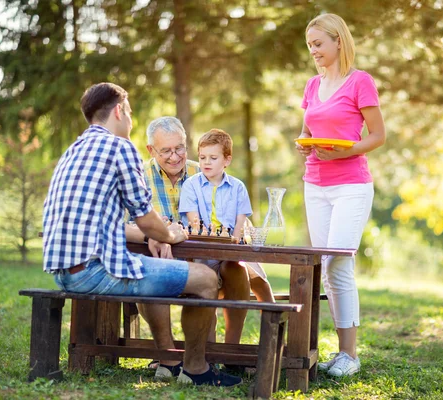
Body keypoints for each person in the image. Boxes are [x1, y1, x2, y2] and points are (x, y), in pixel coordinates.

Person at [42, 82, 241, 387]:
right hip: (96, 270)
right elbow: (146, 219)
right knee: (204, 278)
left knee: (158, 268)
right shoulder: (119, 147)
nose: (131, 120)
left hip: (62, 270)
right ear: (119, 110)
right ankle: (196, 369)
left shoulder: (74, 149)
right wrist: (170, 234)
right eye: (130, 111)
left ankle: (174, 362)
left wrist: (154, 233)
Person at [140, 117, 274, 378]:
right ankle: (168, 357)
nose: (174, 156)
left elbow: (237, 221)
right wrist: (155, 236)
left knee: (235, 269)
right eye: (165, 151)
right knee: (149, 276)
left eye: (179, 148)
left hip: (210, 255)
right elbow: (130, 222)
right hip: (165, 258)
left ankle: (228, 352)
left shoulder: (205, 169)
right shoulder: (139, 178)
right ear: (151, 150)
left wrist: (237, 236)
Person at [295, 14, 386, 377]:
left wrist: (344, 151)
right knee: (325, 270)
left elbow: (378, 136)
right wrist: (304, 146)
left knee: (338, 264)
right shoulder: (312, 85)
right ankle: (338, 351)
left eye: (318, 43)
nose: (314, 51)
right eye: (310, 46)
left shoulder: (360, 82)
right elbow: (307, 130)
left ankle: (350, 354)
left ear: (338, 42)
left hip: (351, 185)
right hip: (315, 184)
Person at [179, 129, 276, 305]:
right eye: (202, 157)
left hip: (232, 248)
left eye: (213, 158)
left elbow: (241, 220)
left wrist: (235, 239)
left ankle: (272, 320)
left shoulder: (237, 187)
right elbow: (194, 221)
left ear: (227, 160)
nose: (206, 162)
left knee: (260, 283)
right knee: (207, 293)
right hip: (203, 250)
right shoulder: (191, 186)